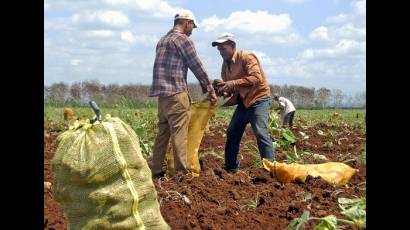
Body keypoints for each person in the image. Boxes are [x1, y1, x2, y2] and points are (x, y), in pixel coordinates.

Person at [149, 10, 217, 178]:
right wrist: (209, 88)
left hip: (162, 96)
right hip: (177, 94)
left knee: (162, 135)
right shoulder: (183, 40)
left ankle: (156, 172)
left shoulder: (162, 40)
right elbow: (196, 65)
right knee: (180, 135)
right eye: (192, 26)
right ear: (187, 23)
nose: (192, 30)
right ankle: (181, 174)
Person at [212, 32, 275, 173]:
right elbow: (232, 90)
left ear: (232, 46)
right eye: (219, 49)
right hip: (243, 102)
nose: (221, 52)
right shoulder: (225, 65)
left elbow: (256, 77)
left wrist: (233, 82)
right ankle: (231, 169)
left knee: (260, 132)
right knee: (232, 132)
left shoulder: (247, 57)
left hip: (258, 99)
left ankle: (271, 169)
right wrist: (222, 90)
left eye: (223, 48)